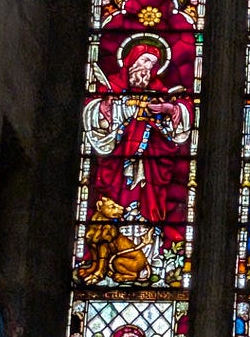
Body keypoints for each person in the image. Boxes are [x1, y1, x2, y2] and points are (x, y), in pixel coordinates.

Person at [82, 35, 191, 286]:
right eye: (144, 61)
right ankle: (105, 265)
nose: (147, 68)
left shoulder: (159, 92)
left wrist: (168, 110)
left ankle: (149, 259)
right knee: (115, 205)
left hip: (150, 165)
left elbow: (178, 118)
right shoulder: (112, 86)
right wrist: (107, 110)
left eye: (152, 64)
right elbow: (95, 114)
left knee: (148, 207)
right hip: (119, 164)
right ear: (131, 60)